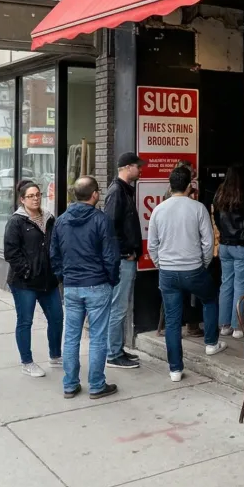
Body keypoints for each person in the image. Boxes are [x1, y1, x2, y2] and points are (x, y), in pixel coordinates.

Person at [148, 164, 223, 382]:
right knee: (210, 298)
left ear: (169, 186)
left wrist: (160, 263)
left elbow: (152, 244)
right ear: (190, 185)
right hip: (193, 269)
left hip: (168, 272)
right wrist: (204, 263)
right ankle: (210, 343)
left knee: (172, 320)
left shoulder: (158, 210)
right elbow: (208, 242)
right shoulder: (197, 208)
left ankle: (175, 369)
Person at [51, 176, 119, 399]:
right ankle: (97, 385)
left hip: (72, 286)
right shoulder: (101, 220)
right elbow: (111, 255)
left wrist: (64, 277)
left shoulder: (61, 221)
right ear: (95, 194)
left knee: (71, 337)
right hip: (97, 284)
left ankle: (70, 384)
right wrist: (111, 278)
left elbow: (55, 255)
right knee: (98, 337)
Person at [3, 180, 63, 378]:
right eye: (30, 196)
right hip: (24, 282)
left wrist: (56, 269)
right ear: (22, 200)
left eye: (37, 194)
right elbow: (11, 253)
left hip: (49, 279)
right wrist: (27, 271)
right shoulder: (16, 221)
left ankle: (55, 356)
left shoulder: (49, 218)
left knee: (56, 318)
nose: (35, 198)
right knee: (25, 321)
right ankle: (27, 362)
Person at [104, 152, 144, 371]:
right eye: (138, 167)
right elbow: (109, 228)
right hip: (122, 259)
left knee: (121, 305)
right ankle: (113, 353)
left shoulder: (122, 191)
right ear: (128, 167)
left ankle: (117, 349)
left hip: (125, 257)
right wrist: (124, 252)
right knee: (118, 306)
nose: (141, 170)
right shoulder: (117, 192)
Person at [213, 163, 244, 339]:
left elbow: (216, 217)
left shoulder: (220, 194)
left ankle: (224, 325)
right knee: (241, 284)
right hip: (242, 245)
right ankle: (238, 326)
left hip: (224, 245)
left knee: (226, 284)